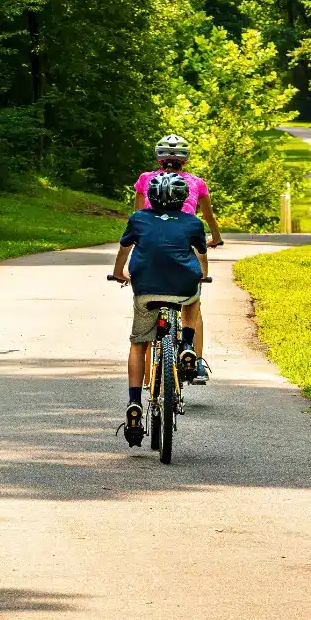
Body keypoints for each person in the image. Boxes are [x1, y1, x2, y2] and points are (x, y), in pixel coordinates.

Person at [113, 172, 209, 444]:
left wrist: (119, 272)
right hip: (182, 287)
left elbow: (124, 249)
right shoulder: (193, 222)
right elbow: (201, 254)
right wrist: (202, 274)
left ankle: (134, 402)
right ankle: (187, 346)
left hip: (146, 288)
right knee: (193, 299)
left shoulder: (138, 219)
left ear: (151, 199)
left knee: (138, 344)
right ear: (183, 198)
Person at [133, 134, 221, 383]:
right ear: (185, 159)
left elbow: (139, 215)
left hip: (151, 246)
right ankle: (196, 361)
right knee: (192, 302)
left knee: (148, 310)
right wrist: (215, 237)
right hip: (187, 243)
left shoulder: (145, 180)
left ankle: (148, 377)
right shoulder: (196, 182)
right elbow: (208, 216)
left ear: (158, 158)